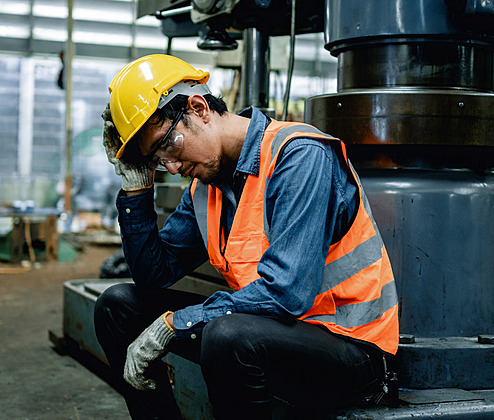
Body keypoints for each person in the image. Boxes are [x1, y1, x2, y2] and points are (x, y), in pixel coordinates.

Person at [94, 54, 399, 420]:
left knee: (228, 335)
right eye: (157, 159)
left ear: (199, 107)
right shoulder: (205, 187)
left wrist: (175, 322)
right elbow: (153, 275)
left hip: (350, 350)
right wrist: (136, 187)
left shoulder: (299, 156)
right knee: (117, 305)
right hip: (271, 336)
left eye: (169, 144)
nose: (171, 167)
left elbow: (286, 293)